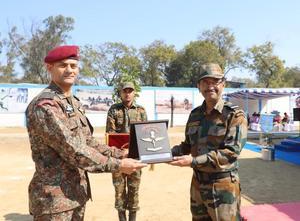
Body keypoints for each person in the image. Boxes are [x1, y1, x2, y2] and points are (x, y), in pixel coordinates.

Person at [26, 45, 147, 221]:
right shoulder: (46, 106)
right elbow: (74, 150)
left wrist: (122, 153)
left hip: (76, 195)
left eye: (73, 66)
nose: (69, 70)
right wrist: (118, 165)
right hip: (54, 202)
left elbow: (88, 142)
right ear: (49, 68)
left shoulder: (72, 103)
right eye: (63, 65)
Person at [169, 63, 248, 221]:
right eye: (205, 82)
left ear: (223, 85)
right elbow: (187, 145)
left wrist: (193, 161)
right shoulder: (195, 114)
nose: (210, 86)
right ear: (198, 86)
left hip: (223, 187)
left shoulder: (234, 115)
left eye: (215, 81)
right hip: (198, 185)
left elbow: (230, 153)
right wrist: (161, 153)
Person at [106, 82, 147, 221]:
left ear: (134, 93)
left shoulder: (141, 111)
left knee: (134, 189)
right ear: (120, 93)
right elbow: (110, 134)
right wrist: (121, 152)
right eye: (125, 91)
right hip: (118, 158)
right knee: (119, 190)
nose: (127, 93)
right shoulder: (113, 110)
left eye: (130, 91)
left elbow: (144, 134)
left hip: (135, 157)